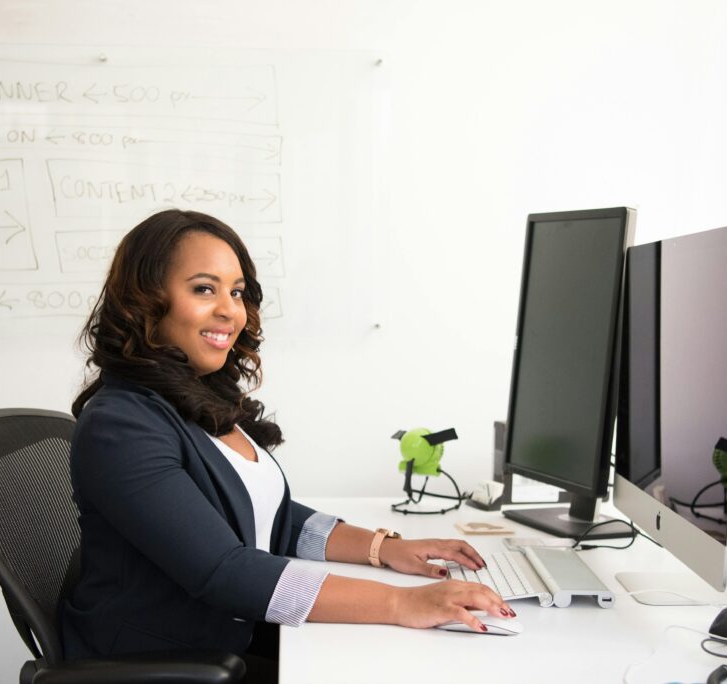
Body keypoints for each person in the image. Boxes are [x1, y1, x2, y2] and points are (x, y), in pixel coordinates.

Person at [61, 209, 511, 679]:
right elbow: (225, 571)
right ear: (145, 301)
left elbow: (276, 518)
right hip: (161, 662)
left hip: (223, 640)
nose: (230, 310)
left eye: (236, 292)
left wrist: (385, 549)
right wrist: (400, 602)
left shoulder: (199, 398)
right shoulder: (121, 425)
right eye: (203, 289)